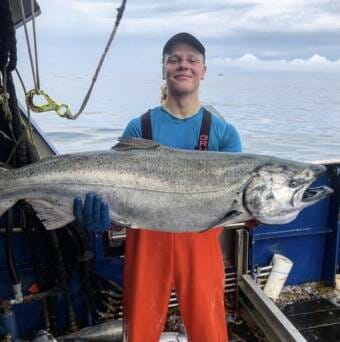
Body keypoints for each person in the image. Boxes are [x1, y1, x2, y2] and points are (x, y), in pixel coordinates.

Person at [74, 32, 244, 342]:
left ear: (204, 70)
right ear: (164, 68)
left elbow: (235, 200)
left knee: (210, 331)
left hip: (202, 244)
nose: (184, 65)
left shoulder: (223, 134)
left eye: (192, 60)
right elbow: (114, 187)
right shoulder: (140, 128)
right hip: (146, 243)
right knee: (139, 331)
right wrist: (103, 216)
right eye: (174, 59)